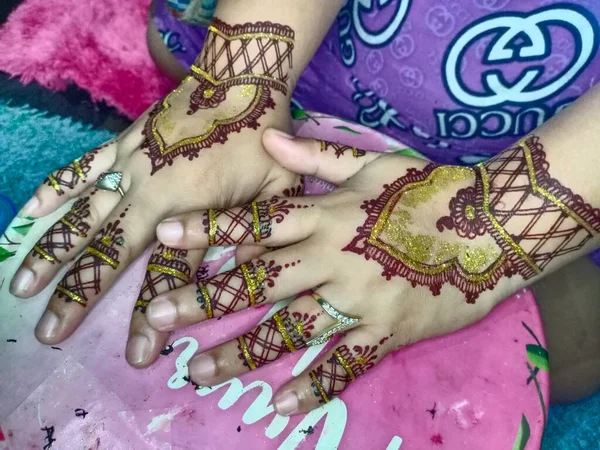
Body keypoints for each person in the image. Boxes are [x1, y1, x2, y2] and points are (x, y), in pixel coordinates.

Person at [9, 0, 599, 415]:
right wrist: (238, 86)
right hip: (316, 51)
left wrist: (490, 233)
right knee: (174, 75)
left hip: (530, 149)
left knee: (565, 356)